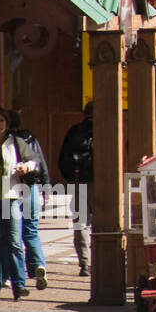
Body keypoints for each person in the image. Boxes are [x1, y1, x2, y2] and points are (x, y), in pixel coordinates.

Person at [0, 106, 41, 298]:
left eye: (1, 121)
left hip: (12, 198)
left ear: (7, 123)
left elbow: (34, 160)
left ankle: (19, 284)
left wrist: (26, 166)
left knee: (15, 242)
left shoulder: (15, 142)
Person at [8, 111, 47, 290]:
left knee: (12, 234)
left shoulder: (4, 141)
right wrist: (45, 186)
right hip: (31, 186)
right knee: (31, 230)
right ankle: (39, 265)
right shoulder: (29, 137)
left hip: (10, 189)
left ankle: (14, 273)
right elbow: (41, 163)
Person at [58, 101, 94, 277]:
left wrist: (71, 179)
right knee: (107, 223)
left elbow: (63, 159)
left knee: (81, 223)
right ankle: (106, 260)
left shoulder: (74, 132)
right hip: (104, 183)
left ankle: (85, 264)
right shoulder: (108, 129)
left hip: (78, 182)